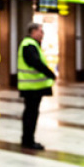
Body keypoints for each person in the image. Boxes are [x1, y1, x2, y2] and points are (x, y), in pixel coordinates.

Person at [18, 22, 56, 150]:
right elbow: (36, 63)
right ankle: (28, 140)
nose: (42, 34)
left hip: (33, 87)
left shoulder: (32, 44)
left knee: (31, 113)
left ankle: (28, 139)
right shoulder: (29, 45)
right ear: (33, 32)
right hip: (31, 87)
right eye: (40, 31)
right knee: (31, 114)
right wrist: (50, 74)